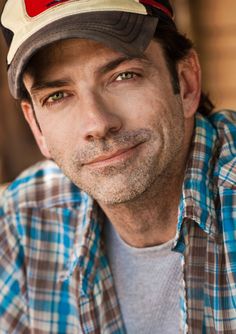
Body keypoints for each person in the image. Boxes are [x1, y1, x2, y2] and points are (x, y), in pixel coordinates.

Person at [0, 0, 235, 332]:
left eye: (124, 76)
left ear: (185, 83)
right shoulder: (22, 222)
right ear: (36, 126)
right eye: (57, 96)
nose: (97, 123)